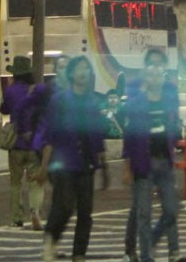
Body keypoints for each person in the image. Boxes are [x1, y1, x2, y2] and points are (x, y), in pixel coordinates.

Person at [38, 56, 109, 262]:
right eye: (79, 68)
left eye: (87, 68)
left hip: (87, 163)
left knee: (85, 212)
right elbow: (50, 135)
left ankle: (79, 254)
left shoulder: (94, 102)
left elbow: (98, 136)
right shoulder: (59, 100)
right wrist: (44, 166)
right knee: (65, 206)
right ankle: (51, 238)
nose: (83, 72)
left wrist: (103, 167)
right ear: (71, 73)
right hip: (64, 162)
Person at [122, 48, 184, 262]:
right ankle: (147, 255)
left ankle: (172, 251)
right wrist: (127, 168)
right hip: (143, 163)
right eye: (151, 64)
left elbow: (175, 124)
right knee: (143, 214)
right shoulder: (136, 100)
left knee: (171, 210)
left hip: (165, 162)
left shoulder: (170, 96)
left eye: (159, 65)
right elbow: (129, 136)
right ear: (145, 69)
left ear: (164, 69)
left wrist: (175, 141)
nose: (155, 69)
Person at [1, 55, 44, 231]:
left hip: (16, 143)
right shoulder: (37, 90)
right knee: (35, 182)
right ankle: (35, 211)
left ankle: (16, 218)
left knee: (15, 182)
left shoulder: (10, 90)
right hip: (34, 142)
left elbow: (4, 109)